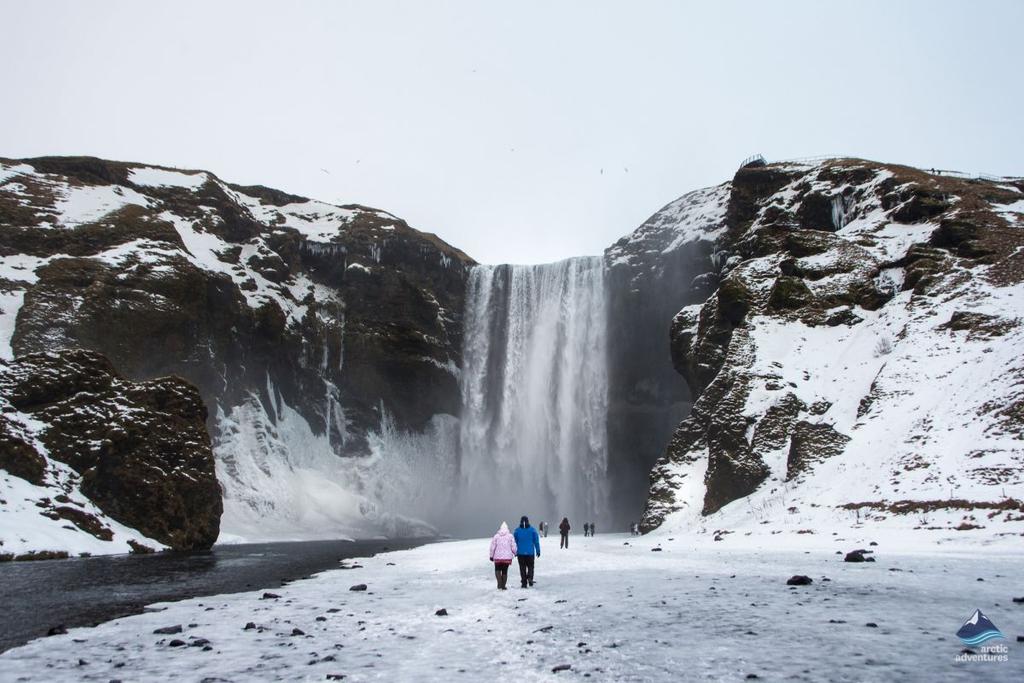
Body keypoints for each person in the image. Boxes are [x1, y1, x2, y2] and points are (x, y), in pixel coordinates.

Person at [512, 516, 541, 588]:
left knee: (522, 568)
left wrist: (515, 552)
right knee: (531, 566)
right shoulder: (532, 530)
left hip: (520, 553)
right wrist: (538, 551)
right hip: (530, 553)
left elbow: (514, 542)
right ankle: (530, 578)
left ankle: (524, 582)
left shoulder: (517, 531)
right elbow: (536, 541)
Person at [489, 521, 517, 590]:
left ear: (500, 528)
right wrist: (515, 552)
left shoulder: (496, 536)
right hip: (507, 558)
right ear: (507, 528)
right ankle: (503, 586)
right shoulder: (510, 536)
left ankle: (499, 583)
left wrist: (491, 556)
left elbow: (492, 547)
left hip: (497, 557)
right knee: (505, 571)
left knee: (497, 570)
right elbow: (513, 546)